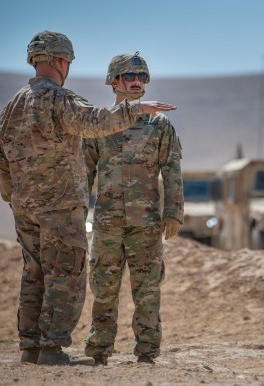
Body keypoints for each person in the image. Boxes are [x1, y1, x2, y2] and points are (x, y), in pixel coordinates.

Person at [0, 30, 177, 366]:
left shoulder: (13, 105)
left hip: (25, 208)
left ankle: (30, 347)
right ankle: (51, 347)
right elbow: (94, 123)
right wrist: (135, 110)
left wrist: (15, 198)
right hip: (60, 207)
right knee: (65, 273)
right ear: (62, 61)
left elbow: (2, 159)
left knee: (34, 273)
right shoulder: (59, 99)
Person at [83, 52, 184, 365]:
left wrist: (173, 212)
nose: (138, 82)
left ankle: (147, 352)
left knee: (148, 290)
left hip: (147, 224)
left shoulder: (159, 124)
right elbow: (84, 172)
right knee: (104, 289)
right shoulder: (100, 124)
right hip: (107, 223)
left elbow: (171, 169)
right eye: (130, 77)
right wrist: (75, 215)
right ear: (115, 82)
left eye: (142, 77)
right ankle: (99, 350)